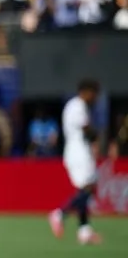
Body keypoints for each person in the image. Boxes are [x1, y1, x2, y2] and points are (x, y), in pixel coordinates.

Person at [49, 79, 103, 245]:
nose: (95, 98)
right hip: (79, 152)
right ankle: (60, 213)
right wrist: (97, 136)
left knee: (85, 190)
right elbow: (86, 129)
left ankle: (84, 231)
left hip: (78, 151)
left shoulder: (76, 106)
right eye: (94, 94)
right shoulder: (77, 106)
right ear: (86, 91)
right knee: (88, 188)